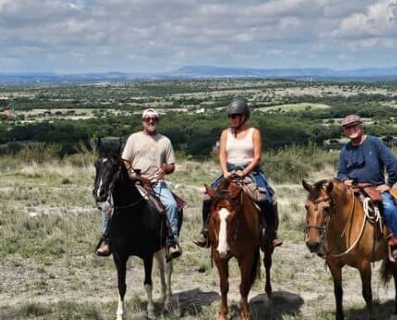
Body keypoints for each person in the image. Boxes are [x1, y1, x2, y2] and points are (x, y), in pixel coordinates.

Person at [193, 97, 282, 248]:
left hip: (250, 171)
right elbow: (222, 154)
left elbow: (257, 157)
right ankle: (206, 231)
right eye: (230, 116)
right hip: (229, 170)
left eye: (234, 116)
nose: (231, 119)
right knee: (208, 196)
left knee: (266, 197)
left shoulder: (254, 133)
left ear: (244, 117)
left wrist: (245, 172)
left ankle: (271, 233)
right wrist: (225, 172)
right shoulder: (225, 134)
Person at [96, 108, 182, 260]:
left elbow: (172, 165)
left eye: (154, 118)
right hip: (134, 182)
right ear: (143, 121)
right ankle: (106, 239)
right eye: (148, 119)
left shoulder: (165, 141)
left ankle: (171, 240)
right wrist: (136, 176)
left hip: (157, 183)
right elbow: (125, 161)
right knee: (107, 206)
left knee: (171, 205)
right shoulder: (133, 139)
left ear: (157, 121)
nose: (151, 121)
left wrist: (164, 169)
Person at [336, 114, 397, 263]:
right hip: (353, 189)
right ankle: (330, 244)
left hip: (375, 187)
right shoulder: (345, 151)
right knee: (331, 207)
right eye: (348, 128)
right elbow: (341, 172)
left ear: (360, 127)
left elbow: (392, 162)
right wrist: (344, 180)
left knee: (389, 208)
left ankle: (396, 243)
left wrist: (389, 183)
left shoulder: (375, 143)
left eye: (354, 126)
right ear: (344, 131)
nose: (351, 130)